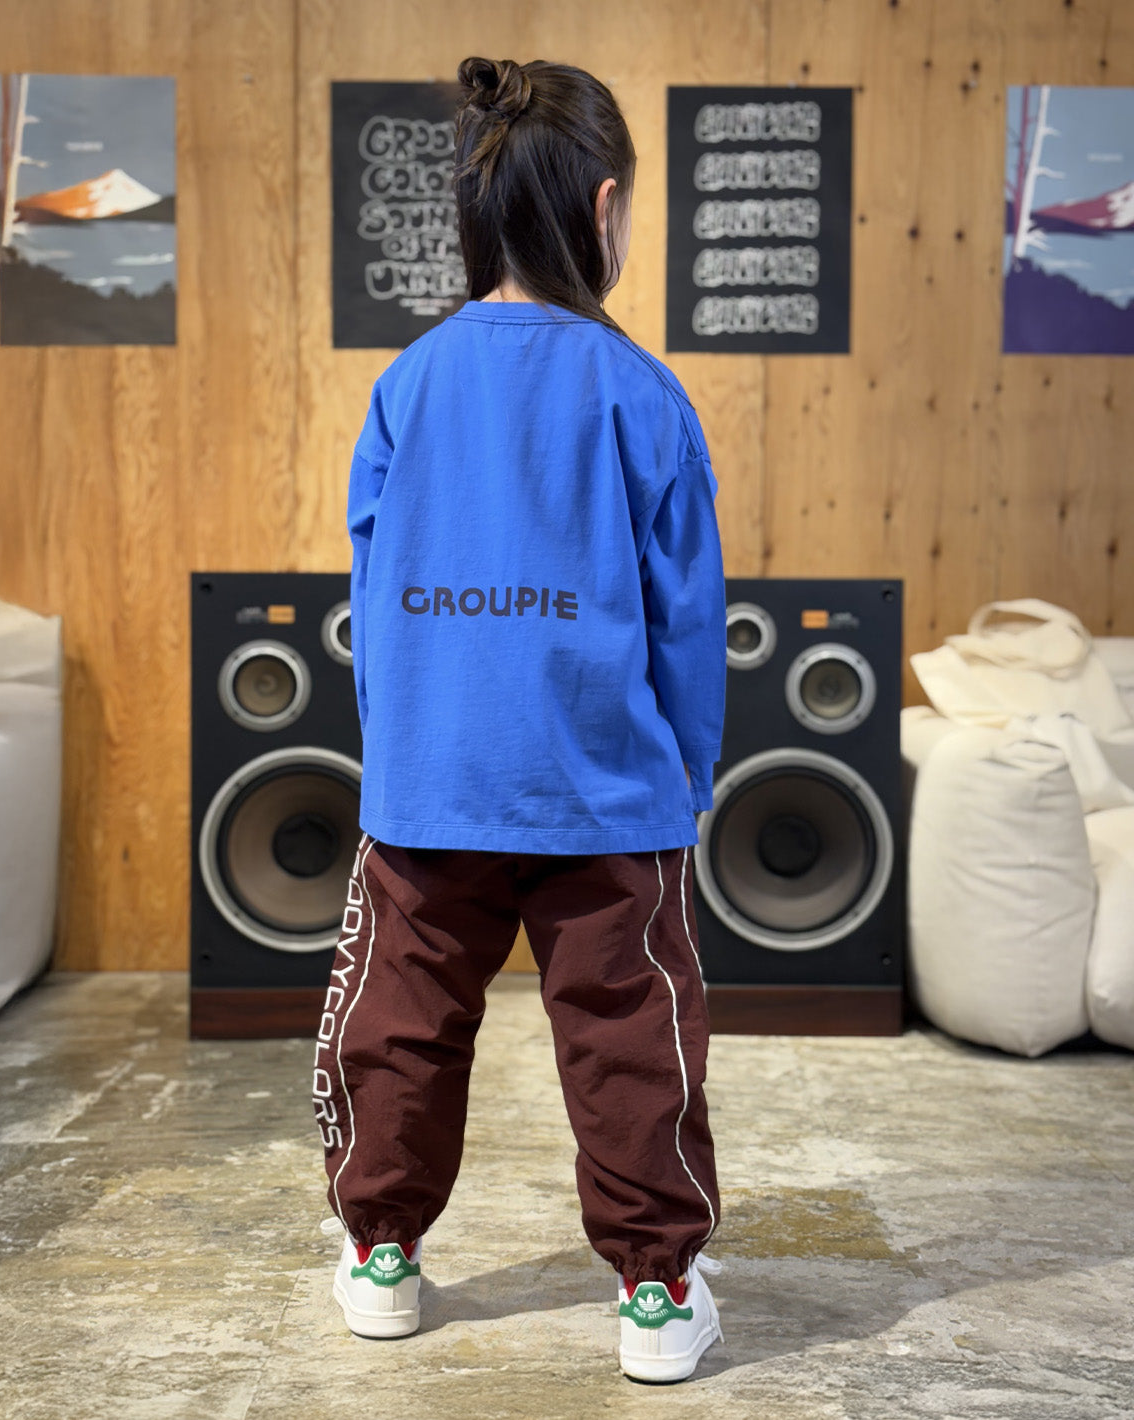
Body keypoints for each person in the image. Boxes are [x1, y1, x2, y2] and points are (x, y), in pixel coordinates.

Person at [312, 54, 726, 1384]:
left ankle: (382, 1255)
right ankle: (657, 1289)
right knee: (630, 1040)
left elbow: (374, 599)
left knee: (398, 1027)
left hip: (430, 788)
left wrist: (400, 754)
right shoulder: (644, 394)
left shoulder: (408, 384)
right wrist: (687, 775)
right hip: (607, 797)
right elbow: (686, 619)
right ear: (605, 209)